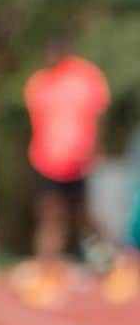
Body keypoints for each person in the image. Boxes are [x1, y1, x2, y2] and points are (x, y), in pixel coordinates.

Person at [23, 40, 113, 281]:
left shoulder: (85, 76)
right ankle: (46, 271)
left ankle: (108, 262)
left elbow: (99, 114)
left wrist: (95, 148)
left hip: (79, 162)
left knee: (84, 216)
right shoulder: (38, 83)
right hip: (46, 161)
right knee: (50, 216)